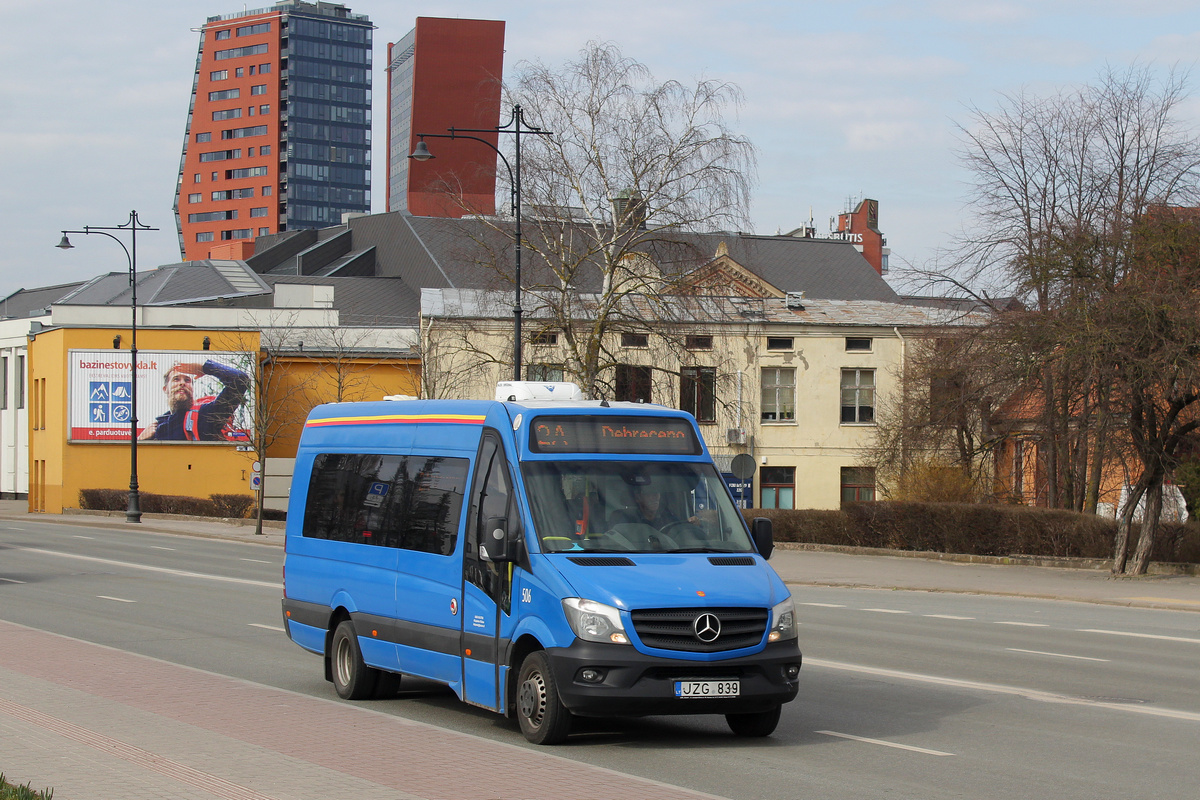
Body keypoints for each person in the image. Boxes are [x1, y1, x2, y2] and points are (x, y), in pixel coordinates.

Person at [139, 359, 250, 441]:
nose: (182, 383)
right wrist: (140, 441)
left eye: (187, 380)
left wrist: (205, 368)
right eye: (176, 379)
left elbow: (240, 380)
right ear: (165, 389)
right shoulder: (158, 427)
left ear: (192, 388)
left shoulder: (207, 414)